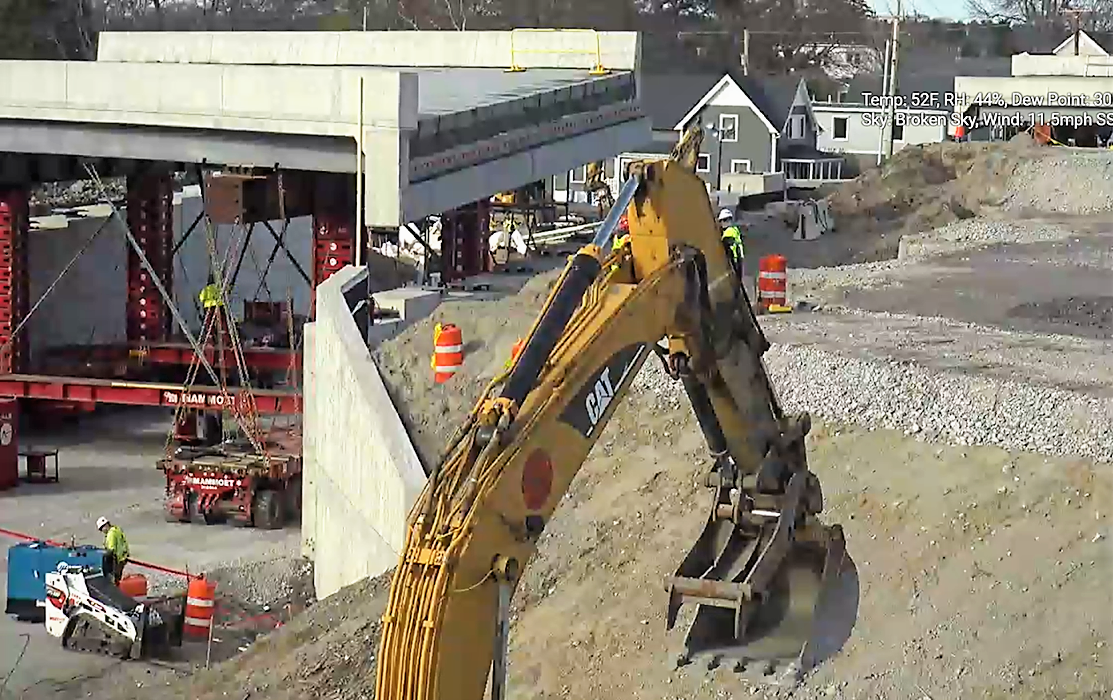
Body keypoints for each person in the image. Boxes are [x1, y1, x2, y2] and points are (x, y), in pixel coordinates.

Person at [96, 516, 129, 585]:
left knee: (115, 579)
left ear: (106, 525)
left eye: (102, 529)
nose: (103, 531)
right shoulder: (117, 529)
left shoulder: (111, 534)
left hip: (117, 559)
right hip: (123, 557)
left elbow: (111, 550)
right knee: (118, 577)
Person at [717, 208, 744, 282]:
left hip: (734, 260)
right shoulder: (735, 229)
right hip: (739, 259)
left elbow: (723, 245)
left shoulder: (728, 232)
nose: (721, 223)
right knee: (738, 282)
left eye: (722, 221)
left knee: (735, 283)